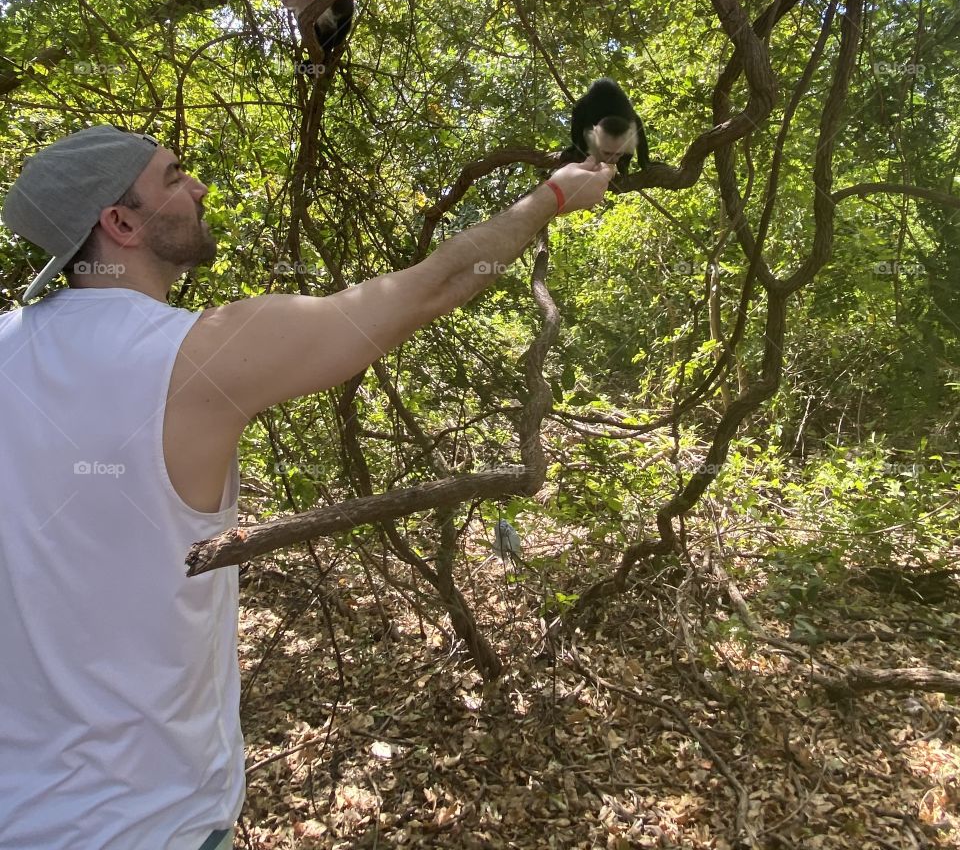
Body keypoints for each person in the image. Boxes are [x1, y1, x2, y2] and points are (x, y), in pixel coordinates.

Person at [0, 123, 613, 850]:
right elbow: (431, 287)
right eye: (172, 178)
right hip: (147, 824)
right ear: (121, 223)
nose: (197, 188)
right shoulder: (193, 358)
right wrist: (552, 197)